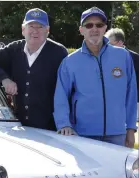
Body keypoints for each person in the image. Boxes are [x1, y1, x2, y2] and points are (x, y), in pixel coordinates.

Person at [54, 7, 137, 148]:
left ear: (105, 28)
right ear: (81, 30)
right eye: (89, 25)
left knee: (117, 170)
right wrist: (64, 124)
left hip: (117, 133)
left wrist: (130, 128)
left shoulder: (123, 56)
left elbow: (131, 94)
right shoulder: (70, 61)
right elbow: (61, 95)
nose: (94, 29)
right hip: (83, 134)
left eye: (99, 25)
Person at [0, 8, 68, 131]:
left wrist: (65, 123)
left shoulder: (59, 52)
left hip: (49, 129)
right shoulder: (14, 49)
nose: (35, 31)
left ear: (47, 31)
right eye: (31, 26)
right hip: (18, 128)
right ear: (23, 30)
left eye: (40, 27)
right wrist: (5, 79)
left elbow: (67, 89)